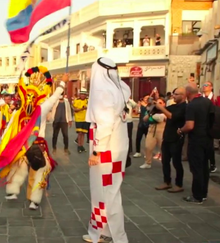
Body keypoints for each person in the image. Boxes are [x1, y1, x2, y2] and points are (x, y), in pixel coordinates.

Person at [0, 66, 65, 210]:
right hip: (28, 145)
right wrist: (62, 83)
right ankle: (26, 196)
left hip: (30, 145)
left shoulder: (30, 111)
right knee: (28, 169)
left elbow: (8, 130)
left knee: (29, 170)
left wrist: (6, 143)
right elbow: (53, 98)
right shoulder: (34, 110)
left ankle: (21, 195)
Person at [82, 57, 130, 243]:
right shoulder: (120, 88)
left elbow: (104, 123)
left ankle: (117, 236)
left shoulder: (102, 91)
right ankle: (103, 232)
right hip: (117, 145)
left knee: (105, 192)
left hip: (106, 147)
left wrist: (96, 151)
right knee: (108, 191)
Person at [178, 83, 213, 204]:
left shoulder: (191, 105)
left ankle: (197, 195)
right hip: (207, 139)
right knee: (204, 167)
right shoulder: (207, 102)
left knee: (196, 168)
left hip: (196, 140)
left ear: (187, 93)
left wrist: (180, 130)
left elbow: (189, 125)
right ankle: (203, 193)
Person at [155, 87, 186, 193]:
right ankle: (167, 181)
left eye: (176, 94)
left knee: (176, 162)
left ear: (183, 95)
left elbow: (171, 116)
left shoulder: (185, 107)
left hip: (176, 138)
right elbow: (162, 110)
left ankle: (179, 184)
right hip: (167, 137)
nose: (173, 96)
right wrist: (155, 101)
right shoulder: (173, 106)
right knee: (165, 161)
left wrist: (161, 108)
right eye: (173, 94)